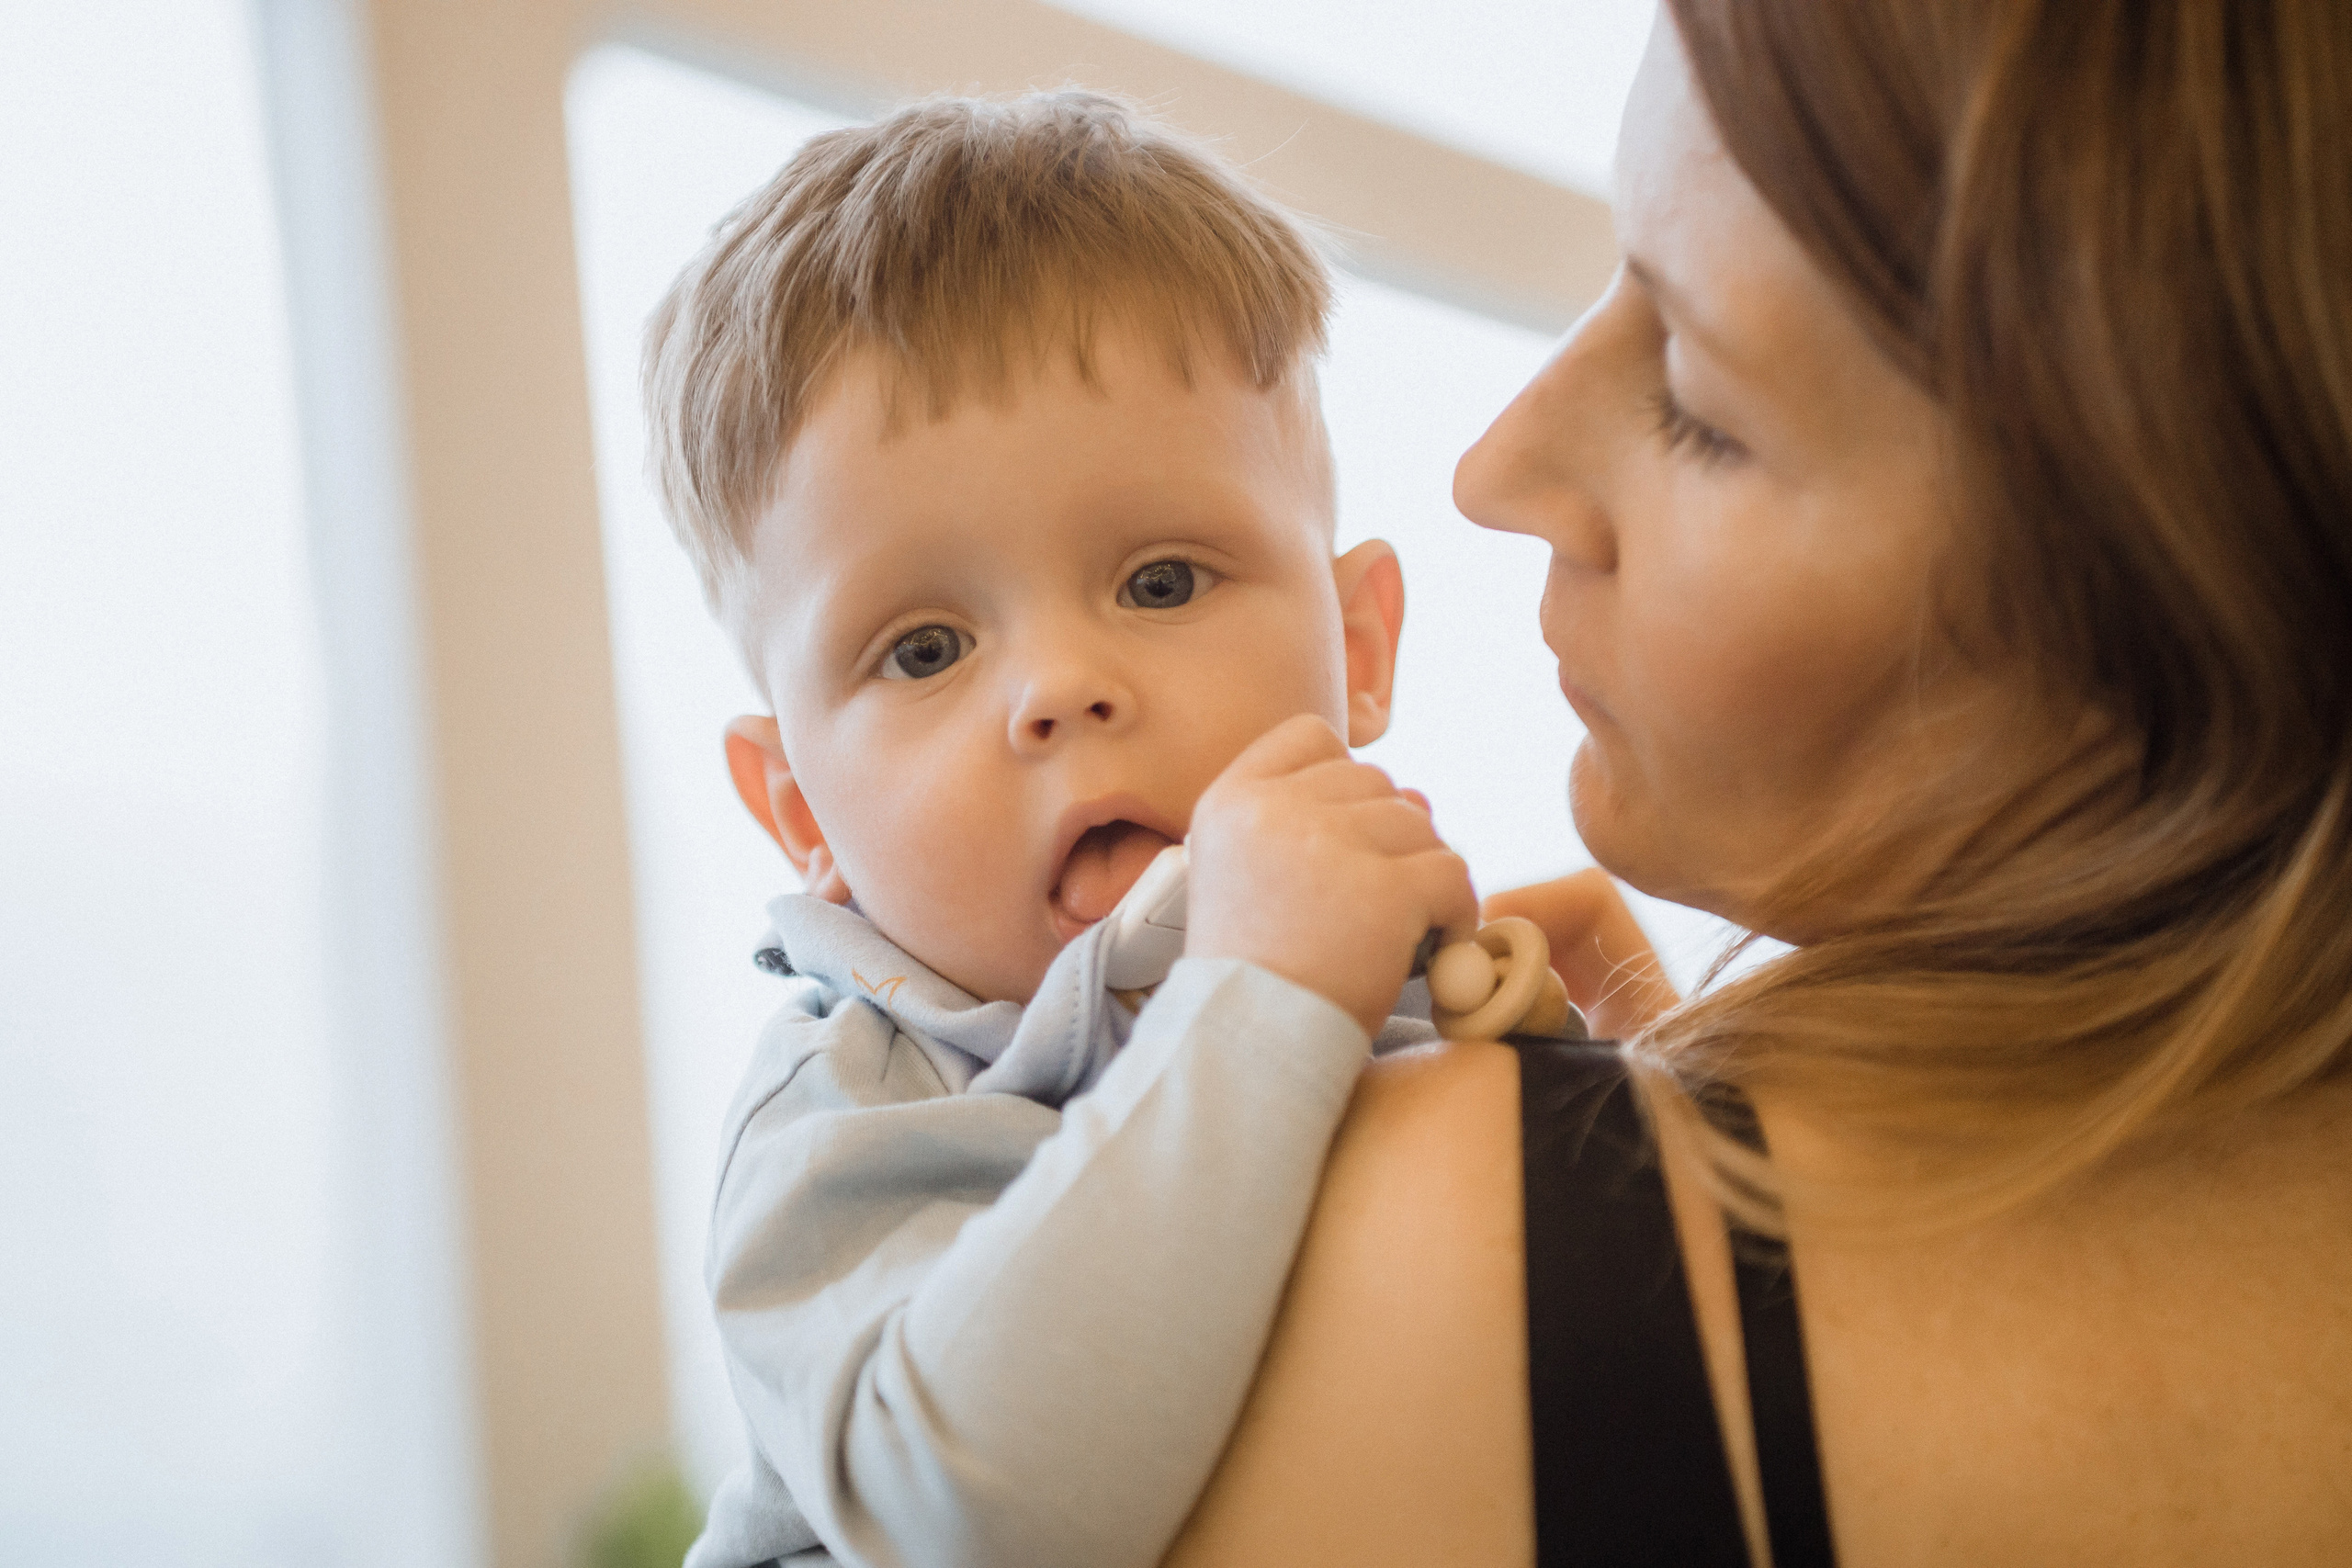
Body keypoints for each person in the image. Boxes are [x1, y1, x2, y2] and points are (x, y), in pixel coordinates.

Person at [1163, 2, 2352, 1564]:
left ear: (2165, 613)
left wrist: (1610, 1221)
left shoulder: (1456, 1272)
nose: (1496, 467)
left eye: (1700, 408)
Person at [643, 93, 1479, 1568]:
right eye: (923, 651)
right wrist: (1263, 1002)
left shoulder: (1407, 977)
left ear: (1361, 647)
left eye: (1161, 583)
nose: (1059, 690)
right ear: (799, 814)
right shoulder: (854, 1107)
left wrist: (1609, 1060)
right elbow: (978, 1517)